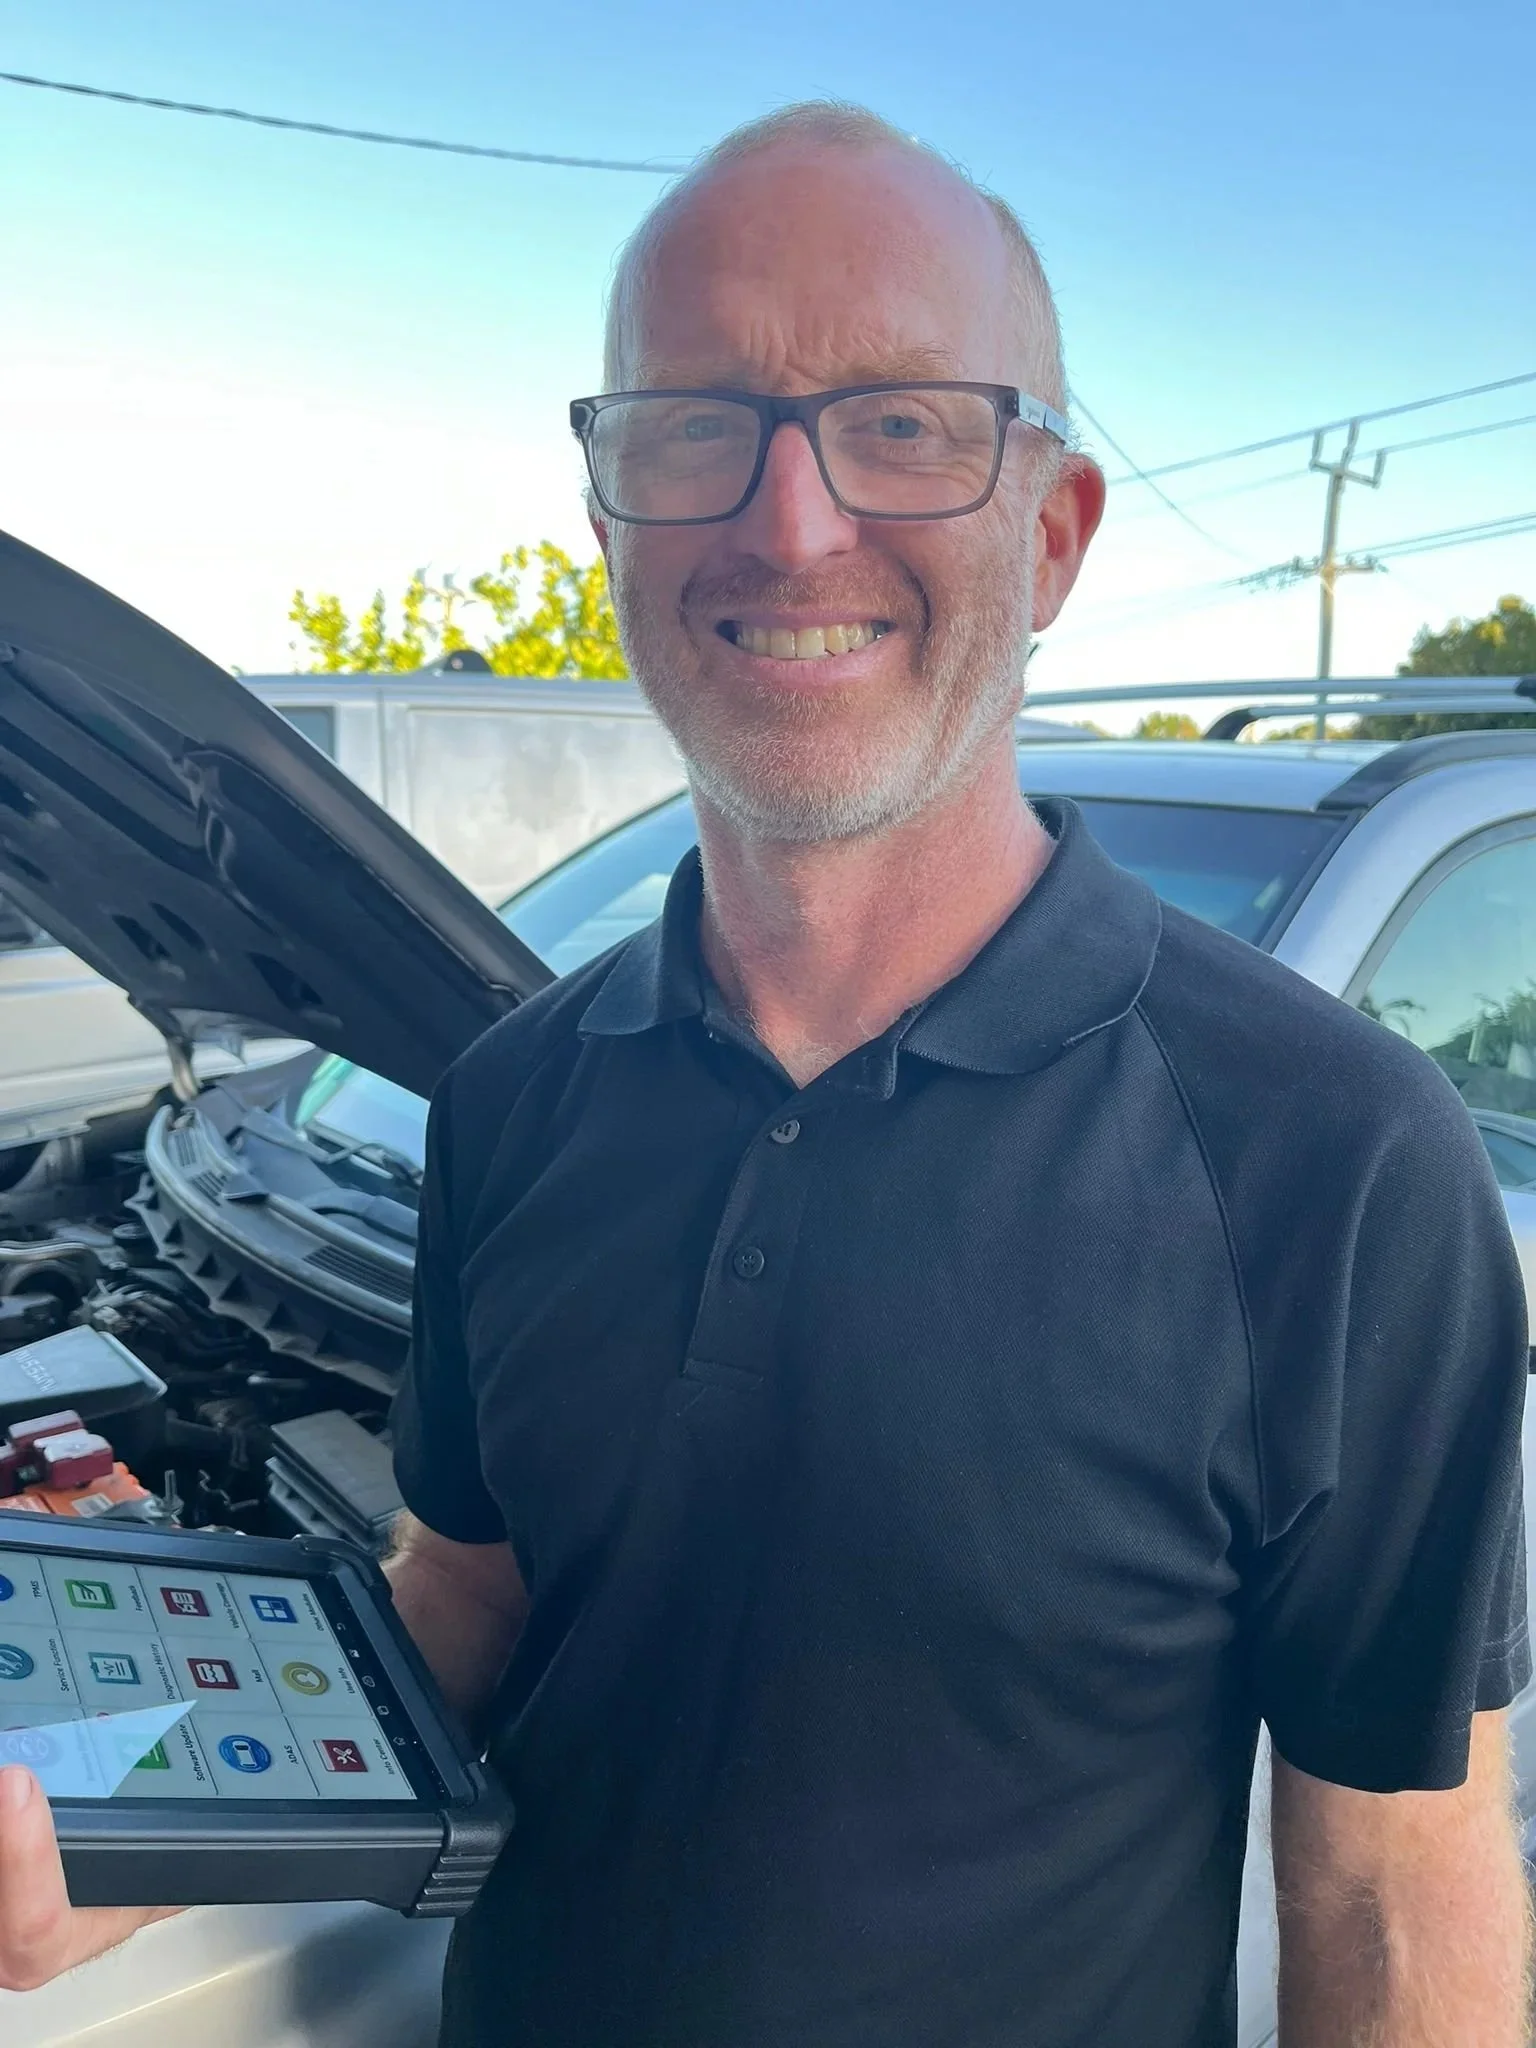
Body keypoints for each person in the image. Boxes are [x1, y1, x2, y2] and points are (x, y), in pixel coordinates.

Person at [1, 100, 1530, 2048]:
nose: (791, 522)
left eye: (903, 421)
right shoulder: (512, 1095)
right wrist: (126, 1823)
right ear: (615, 518)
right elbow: (465, 1607)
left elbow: (1393, 1905)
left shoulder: (1330, 1161)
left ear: (1052, 532)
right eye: (697, 425)